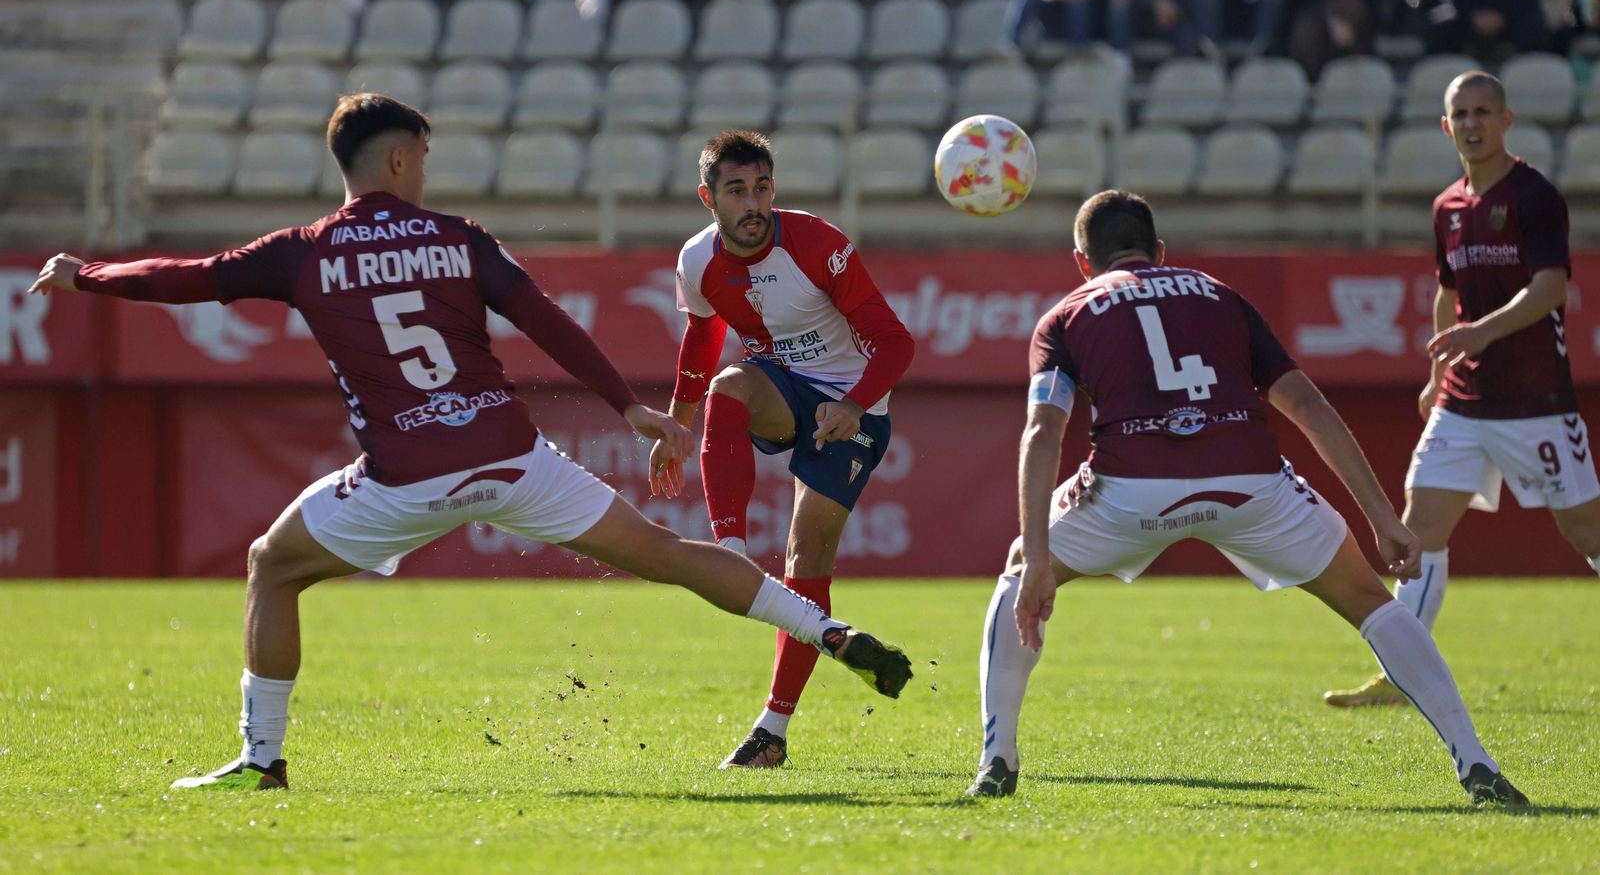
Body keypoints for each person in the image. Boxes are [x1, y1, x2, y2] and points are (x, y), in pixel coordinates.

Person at [27, 95, 912, 792]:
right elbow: (549, 322)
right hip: (518, 464)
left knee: (271, 563)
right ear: (402, 158)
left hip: (404, 478)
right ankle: (822, 626)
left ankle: (262, 759)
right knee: (670, 556)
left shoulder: (304, 251)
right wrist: (628, 410)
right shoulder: (458, 238)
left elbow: (195, 278)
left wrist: (89, 275)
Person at [966, 190, 1527, 806]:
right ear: (1159, 251)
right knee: (1370, 600)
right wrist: (1384, 519)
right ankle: (1476, 762)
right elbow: (1307, 406)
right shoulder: (1219, 294)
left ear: (1082, 261)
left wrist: (1040, 557)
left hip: (1130, 488)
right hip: (1250, 484)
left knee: (1020, 568)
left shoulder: (1066, 314)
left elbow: (1043, 430)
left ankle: (997, 760)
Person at [1324, 72, 1600, 707]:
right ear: (1446, 127)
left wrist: (1483, 334)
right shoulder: (1447, 206)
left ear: (1507, 120)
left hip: (1535, 401)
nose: (1472, 123)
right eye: (1460, 114)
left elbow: (1551, 287)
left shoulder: (1534, 195)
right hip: (1464, 401)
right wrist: (1435, 375)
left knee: (1585, 531)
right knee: (1418, 528)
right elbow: (1448, 295)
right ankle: (1402, 675)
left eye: (1483, 111)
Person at [653, 130, 916, 769]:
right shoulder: (696, 261)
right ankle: (733, 552)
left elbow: (895, 342)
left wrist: (852, 404)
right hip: (782, 390)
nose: (752, 204)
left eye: (762, 188)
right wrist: (676, 426)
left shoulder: (817, 245)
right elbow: (702, 338)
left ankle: (773, 731)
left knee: (806, 555)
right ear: (707, 198)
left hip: (854, 409)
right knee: (729, 385)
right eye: (736, 191)